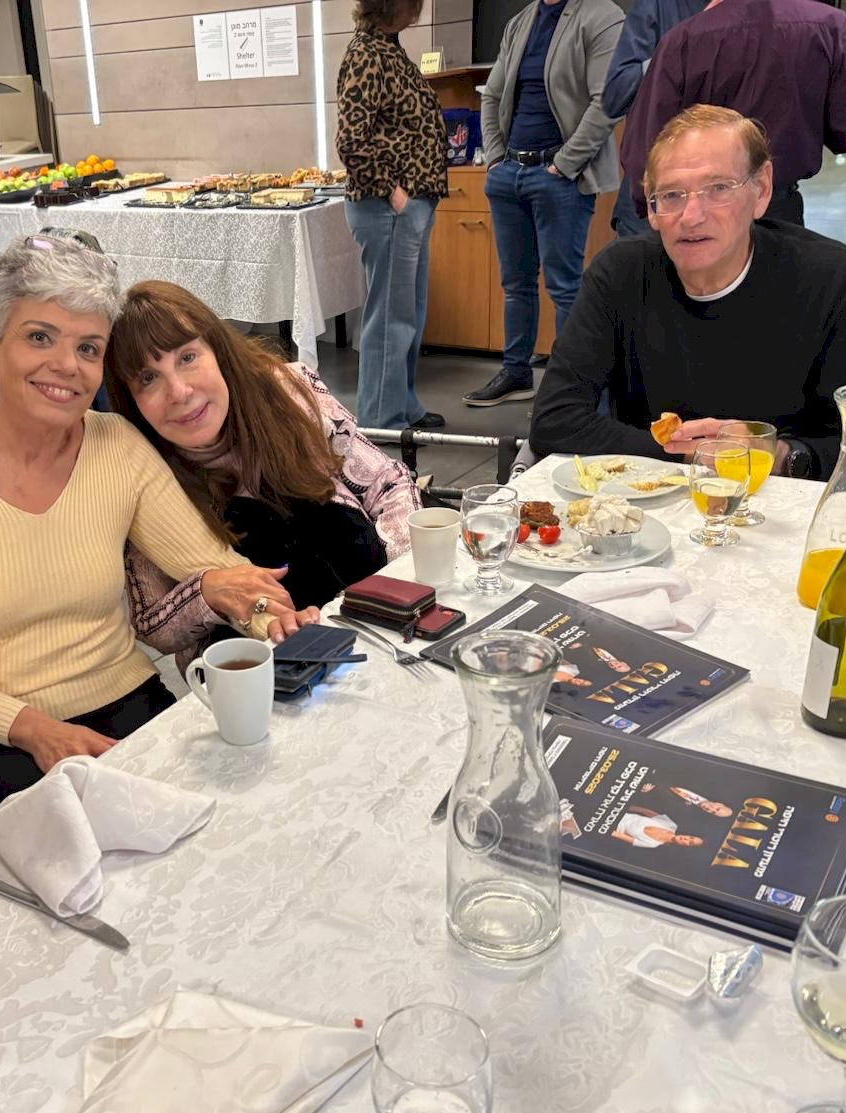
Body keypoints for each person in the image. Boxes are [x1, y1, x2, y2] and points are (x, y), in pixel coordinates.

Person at [0, 239, 315, 859]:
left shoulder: (116, 445)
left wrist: (271, 619)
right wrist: (34, 730)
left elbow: (215, 566)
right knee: (87, 868)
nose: (67, 366)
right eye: (40, 337)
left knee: (227, 835)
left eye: (88, 348)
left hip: (127, 704)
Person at [528, 105, 846, 481]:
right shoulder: (621, 274)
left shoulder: (830, 280)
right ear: (651, 206)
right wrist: (694, 456)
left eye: (718, 189)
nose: (691, 217)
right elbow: (554, 419)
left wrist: (782, 455)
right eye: (672, 195)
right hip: (652, 501)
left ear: (761, 189)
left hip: (785, 499)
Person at [105, 281, 420, 655]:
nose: (180, 392)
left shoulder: (286, 391)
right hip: (262, 666)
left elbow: (388, 482)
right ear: (130, 399)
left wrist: (391, 585)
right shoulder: (142, 470)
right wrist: (209, 593)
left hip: (380, 623)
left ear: (217, 350)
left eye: (187, 357)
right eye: (148, 378)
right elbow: (151, 623)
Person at [469, 0, 624, 406]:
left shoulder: (602, 16)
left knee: (564, 287)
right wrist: (496, 159)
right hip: (510, 174)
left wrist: (565, 164)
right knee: (515, 285)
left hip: (559, 177)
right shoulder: (521, 21)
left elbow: (606, 102)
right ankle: (516, 372)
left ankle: (572, 388)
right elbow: (492, 95)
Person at [622, 0, 846, 227]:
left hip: (699, 213)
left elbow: (647, 147)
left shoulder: (684, 39)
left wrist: (650, 208)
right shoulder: (830, 27)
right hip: (780, 209)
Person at [335, 0, 448, 432]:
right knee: (390, 320)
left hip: (405, 207)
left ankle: (402, 403)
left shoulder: (387, 48)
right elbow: (351, 140)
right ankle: (382, 420)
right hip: (388, 208)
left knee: (407, 314)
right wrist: (393, 192)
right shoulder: (367, 53)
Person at [600, 0, 707, 237]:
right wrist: (671, 56)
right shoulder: (658, 5)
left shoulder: (766, 14)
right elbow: (615, 94)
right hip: (652, 201)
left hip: (729, 199)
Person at [611, 806, 703, 849]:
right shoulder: (671, 825)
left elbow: (617, 835)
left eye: (690, 842)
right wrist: (619, 806)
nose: (686, 838)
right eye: (691, 837)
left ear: (685, 847)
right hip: (617, 811)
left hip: (611, 824)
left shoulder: (652, 844)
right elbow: (644, 810)